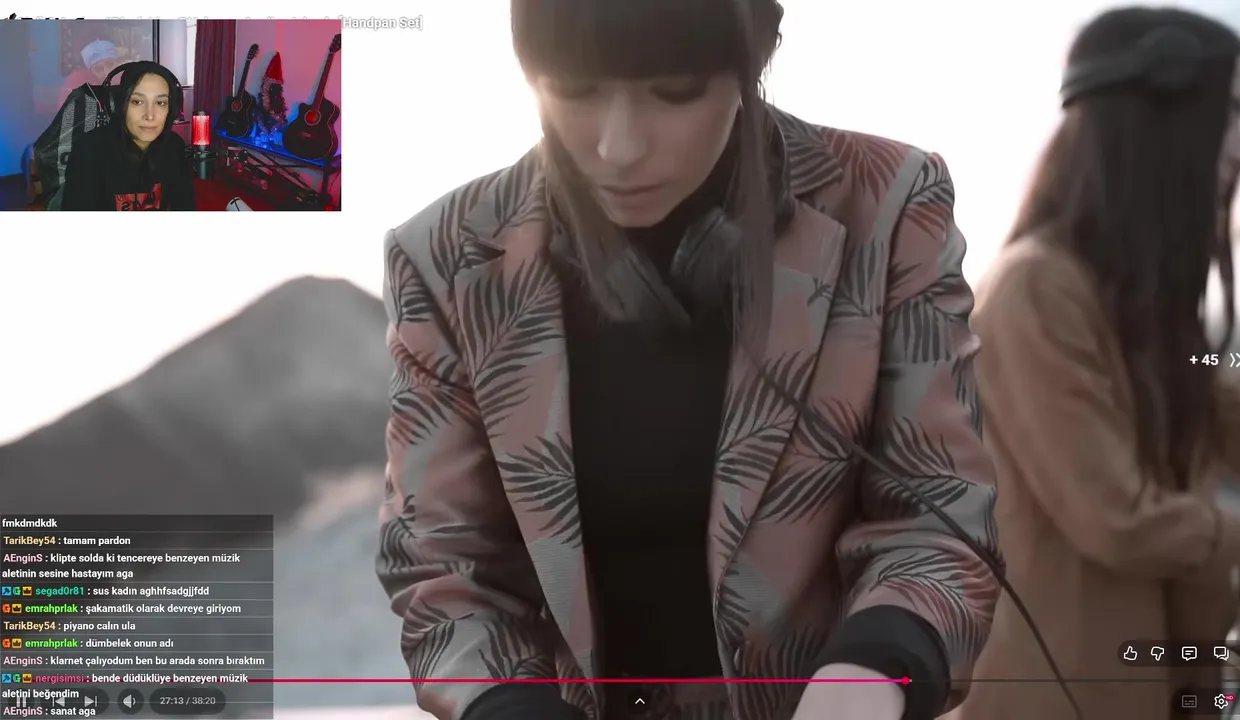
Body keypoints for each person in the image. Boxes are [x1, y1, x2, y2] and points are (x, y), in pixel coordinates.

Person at [376, 1, 1003, 719]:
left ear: (752, 61)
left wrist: (869, 677)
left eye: (673, 92)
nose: (618, 147)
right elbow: (445, 567)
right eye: (573, 89)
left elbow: (935, 509)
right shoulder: (446, 256)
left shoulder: (886, 203)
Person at [954, 7, 1240, 720]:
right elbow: (1118, 518)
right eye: (1229, 114)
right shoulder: (1035, 290)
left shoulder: (1151, 311)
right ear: (1154, 126)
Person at [60, 61, 195, 211]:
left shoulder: (173, 147)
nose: (150, 115)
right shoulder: (89, 150)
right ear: (121, 104)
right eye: (137, 102)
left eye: (160, 103)